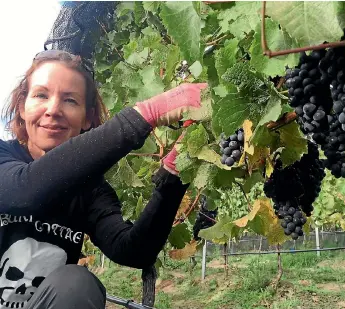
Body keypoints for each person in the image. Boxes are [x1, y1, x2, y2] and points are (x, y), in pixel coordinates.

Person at [0, 49, 207, 309]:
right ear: (21, 107)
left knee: (77, 283)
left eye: (70, 101)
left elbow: (133, 251)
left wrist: (175, 174)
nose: (53, 110)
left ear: (87, 119)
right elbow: (22, 192)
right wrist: (145, 114)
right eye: (41, 95)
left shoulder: (91, 191)